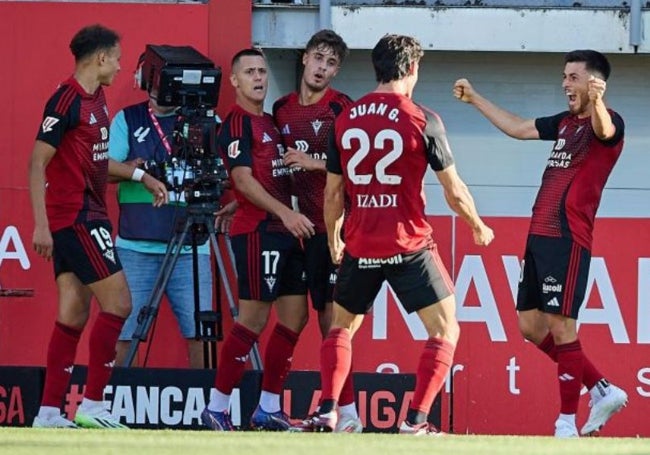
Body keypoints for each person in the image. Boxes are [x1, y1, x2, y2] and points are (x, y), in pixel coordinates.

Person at [313, 34, 494, 434]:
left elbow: (332, 193)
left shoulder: (345, 118)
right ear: (412, 69)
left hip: (360, 244)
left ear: (376, 68)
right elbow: (453, 189)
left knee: (341, 328)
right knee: (446, 330)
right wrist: (477, 226)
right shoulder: (422, 118)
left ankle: (328, 410)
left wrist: (333, 238)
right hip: (408, 244)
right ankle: (415, 421)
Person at [453, 49, 628, 438]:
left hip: (568, 236)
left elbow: (605, 130)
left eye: (573, 77)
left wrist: (598, 102)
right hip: (539, 236)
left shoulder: (608, 121)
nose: (566, 84)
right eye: (564, 76)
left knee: (563, 328)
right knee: (530, 326)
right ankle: (601, 388)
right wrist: (476, 98)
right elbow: (518, 127)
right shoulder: (564, 123)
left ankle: (565, 422)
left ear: (594, 83)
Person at [29, 24, 167, 429]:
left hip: (88, 213)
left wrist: (141, 177)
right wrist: (40, 226)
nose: (122, 67)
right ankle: (94, 405)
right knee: (121, 304)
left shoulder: (99, 99)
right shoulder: (66, 99)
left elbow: (96, 162)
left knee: (72, 314)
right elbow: (37, 162)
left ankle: (50, 412)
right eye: (118, 58)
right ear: (101, 58)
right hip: (76, 217)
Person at [200, 48, 315, 431]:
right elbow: (244, 179)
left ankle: (267, 407)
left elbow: (263, 178)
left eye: (262, 71)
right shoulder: (235, 123)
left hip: (286, 231)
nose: (258, 77)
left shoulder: (270, 121)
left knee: (296, 316)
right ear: (234, 81)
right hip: (258, 233)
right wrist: (281, 211)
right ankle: (217, 406)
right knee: (253, 318)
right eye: (249, 71)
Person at [273, 29, 362, 433]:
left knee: (333, 322)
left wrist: (312, 163)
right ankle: (274, 406)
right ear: (305, 58)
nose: (322, 68)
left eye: (331, 63)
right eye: (318, 59)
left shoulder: (343, 108)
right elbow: (272, 166)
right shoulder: (280, 109)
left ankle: (346, 413)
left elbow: (358, 166)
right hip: (298, 230)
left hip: (336, 229)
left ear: (336, 70)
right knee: (298, 320)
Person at [109, 52, 213, 369]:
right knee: (125, 332)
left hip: (192, 246)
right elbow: (103, 170)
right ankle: (121, 405)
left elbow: (225, 171)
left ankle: (208, 404)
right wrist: (134, 172)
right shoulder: (127, 118)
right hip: (135, 246)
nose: (160, 88)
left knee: (201, 332)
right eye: (154, 80)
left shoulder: (205, 121)